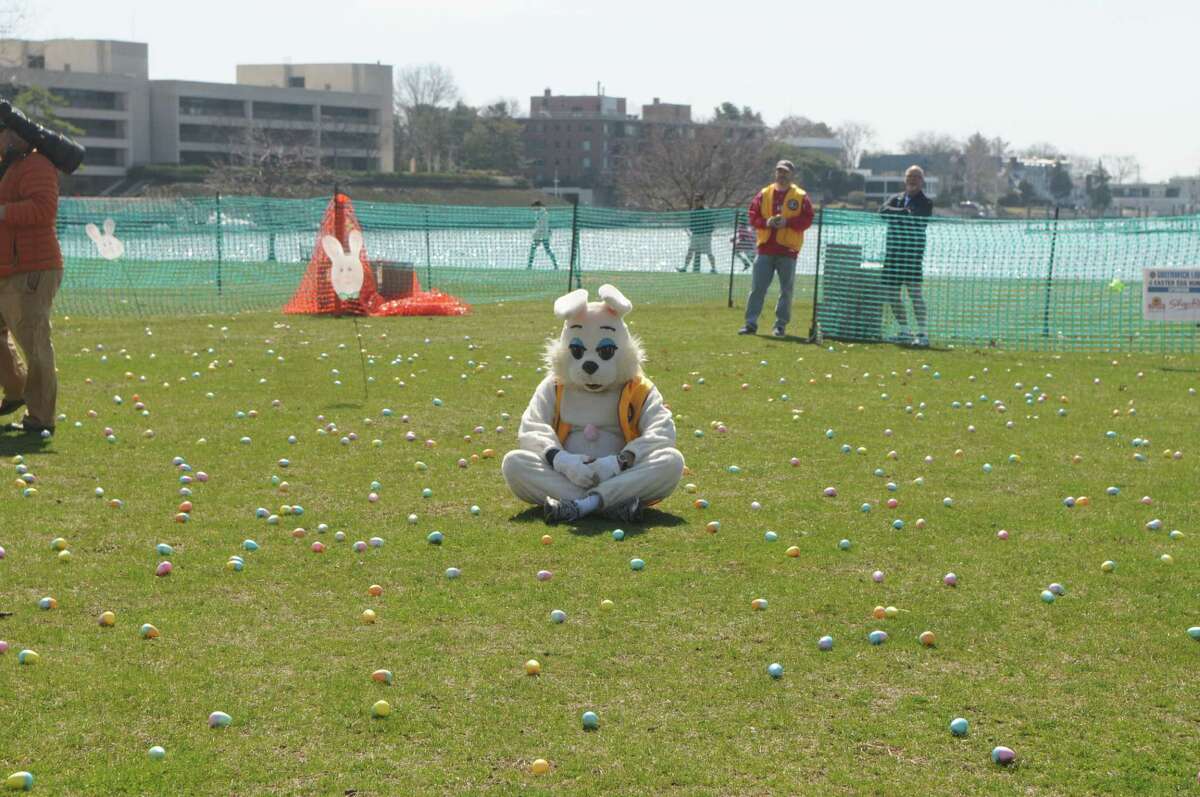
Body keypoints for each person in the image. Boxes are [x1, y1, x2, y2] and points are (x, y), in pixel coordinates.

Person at [0, 110, 64, 436]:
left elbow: (43, 209)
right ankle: (15, 392)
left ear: (14, 135)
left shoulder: (36, 165)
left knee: (35, 342)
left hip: (31, 269)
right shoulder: (9, 167)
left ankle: (41, 416)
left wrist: (2, 212)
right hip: (6, 267)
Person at [740, 160, 814, 336]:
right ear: (775, 173)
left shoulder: (801, 196)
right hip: (765, 249)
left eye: (785, 172)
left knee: (786, 291)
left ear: (791, 174)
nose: (782, 174)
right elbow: (752, 216)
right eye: (779, 171)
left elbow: (808, 219)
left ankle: (780, 326)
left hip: (788, 250)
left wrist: (788, 222)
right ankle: (750, 323)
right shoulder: (764, 194)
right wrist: (766, 222)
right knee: (757, 288)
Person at [880, 165, 934, 346]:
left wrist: (897, 215)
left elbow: (915, 219)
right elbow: (882, 211)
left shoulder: (926, 202)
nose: (913, 179)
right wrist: (902, 212)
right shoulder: (896, 199)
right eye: (910, 176)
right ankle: (904, 330)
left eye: (917, 176)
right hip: (893, 255)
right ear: (905, 179)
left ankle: (923, 333)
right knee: (891, 294)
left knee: (915, 295)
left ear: (922, 181)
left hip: (911, 255)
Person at [679, 194, 717, 274]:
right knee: (690, 251)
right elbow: (692, 223)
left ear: (702, 201)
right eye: (695, 201)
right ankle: (685, 267)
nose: (696, 202)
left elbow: (711, 225)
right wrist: (692, 229)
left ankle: (714, 269)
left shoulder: (707, 212)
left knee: (709, 253)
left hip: (705, 236)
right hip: (695, 235)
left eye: (697, 200)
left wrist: (708, 233)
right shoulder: (693, 212)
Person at [527, 200, 558, 270]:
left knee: (544, 250)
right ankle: (529, 266)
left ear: (537, 206)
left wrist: (537, 235)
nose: (533, 209)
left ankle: (555, 265)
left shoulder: (543, 214)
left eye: (534, 207)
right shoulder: (540, 213)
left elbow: (542, 226)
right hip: (542, 235)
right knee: (535, 249)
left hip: (542, 235)